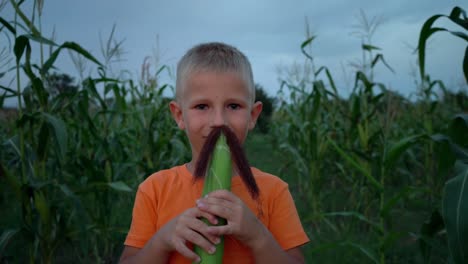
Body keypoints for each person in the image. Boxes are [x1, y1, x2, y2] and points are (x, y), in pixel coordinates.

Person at [119, 42, 309, 263]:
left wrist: (257, 236)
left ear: (253, 115)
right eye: (202, 106)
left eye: (234, 106)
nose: (219, 122)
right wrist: (161, 240)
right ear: (179, 115)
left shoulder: (274, 192)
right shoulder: (154, 190)